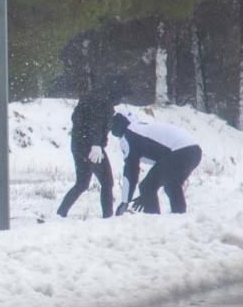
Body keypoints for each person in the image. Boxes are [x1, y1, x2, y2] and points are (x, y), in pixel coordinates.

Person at [56, 77, 129, 219]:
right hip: (91, 148)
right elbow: (96, 125)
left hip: (78, 144)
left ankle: (61, 212)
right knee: (107, 182)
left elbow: (77, 120)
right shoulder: (103, 103)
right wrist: (96, 144)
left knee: (82, 183)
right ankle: (108, 216)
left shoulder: (90, 98)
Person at [109, 111, 202, 215]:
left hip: (181, 151)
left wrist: (125, 202)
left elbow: (130, 171)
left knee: (147, 186)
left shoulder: (129, 135)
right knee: (172, 184)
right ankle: (179, 216)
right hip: (195, 151)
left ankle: (154, 220)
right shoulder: (141, 129)